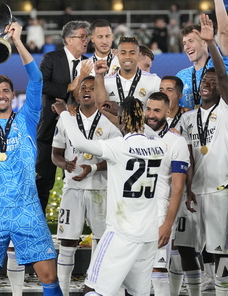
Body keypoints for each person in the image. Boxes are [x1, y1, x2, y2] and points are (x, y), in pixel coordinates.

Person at [0, 22, 61, 296]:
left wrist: (18, 42)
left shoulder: (28, 118)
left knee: (49, 276)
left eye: (6, 90)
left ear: (12, 94)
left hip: (26, 208)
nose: (1, 95)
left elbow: (37, 80)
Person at [53, 96, 165, 296]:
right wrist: (123, 112)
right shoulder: (159, 146)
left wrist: (64, 114)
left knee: (93, 289)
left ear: (121, 120)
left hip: (121, 233)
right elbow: (149, 132)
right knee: (137, 293)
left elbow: (79, 142)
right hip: (148, 234)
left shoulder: (118, 146)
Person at [175, 14, 228, 296]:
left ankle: (224, 290)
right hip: (194, 191)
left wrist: (211, 43)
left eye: (213, 82)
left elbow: (223, 75)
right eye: (204, 81)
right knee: (189, 246)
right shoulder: (187, 118)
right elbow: (186, 156)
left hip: (220, 190)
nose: (207, 84)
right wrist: (187, 188)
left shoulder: (227, 110)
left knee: (220, 250)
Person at [52, 76, 121, 296]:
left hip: (101, 189)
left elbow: (117, 157)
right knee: (67, 240)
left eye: (92, 88)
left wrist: (92, 168)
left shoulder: (109, 121)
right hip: (72, 189)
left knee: (100, 240)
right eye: (83, 88)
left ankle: (93, 286)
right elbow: (55, 154)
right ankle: (62, 290)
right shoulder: (67, 118)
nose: (87, 91)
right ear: (77, 93)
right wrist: (65, 164)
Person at [35, 20, 90, 212]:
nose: (86, 40)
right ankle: (37, 223)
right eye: (82, 36)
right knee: (43, 180)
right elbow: (40, 83)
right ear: (68, 39)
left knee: (76, 177)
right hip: (49, 129)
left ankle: (76, 222)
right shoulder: (51, 58)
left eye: (87, 37)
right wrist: (69, 86)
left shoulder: (88, 63)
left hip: (78, 131)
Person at [142, 91, 188, 296]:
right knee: (133, 271)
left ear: (168, 112)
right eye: (148, 109)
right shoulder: (135, 136)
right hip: (135, 211)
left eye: (157, 111)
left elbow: (177, 187)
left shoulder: (177, 142)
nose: (151, 115)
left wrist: (168, 224)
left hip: (159, 211)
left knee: (158, 271)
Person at [175, 0, 228, 109]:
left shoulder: (221, 63)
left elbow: (224, 32)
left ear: (204, 42)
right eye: (184, 43)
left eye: (191, 41)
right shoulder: (181, 76)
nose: (187, 46)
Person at [95, 36, 161, 109]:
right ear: (118, 55)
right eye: (123, 53)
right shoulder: (105, 81)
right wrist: (99, 75)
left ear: (138, 55)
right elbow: (100, 107)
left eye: (132, 53)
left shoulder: (154, 81)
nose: (127, 56)